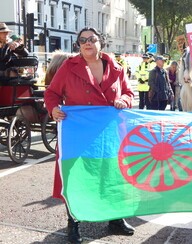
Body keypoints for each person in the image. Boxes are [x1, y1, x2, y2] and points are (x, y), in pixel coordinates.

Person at [44, 27, 135, 244]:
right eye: (82, 40)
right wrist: (54, 108)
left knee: (111, 175)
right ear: (78, 45)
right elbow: (51, 93)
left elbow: (128, 93)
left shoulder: (116, 68)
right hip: (78, 133)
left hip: (108, 133)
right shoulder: (68, 67)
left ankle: (115, 219)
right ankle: (73, 222)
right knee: (74, 177)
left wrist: (124, 100)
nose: (87, 43)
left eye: (92, 39)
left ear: (100, 42)